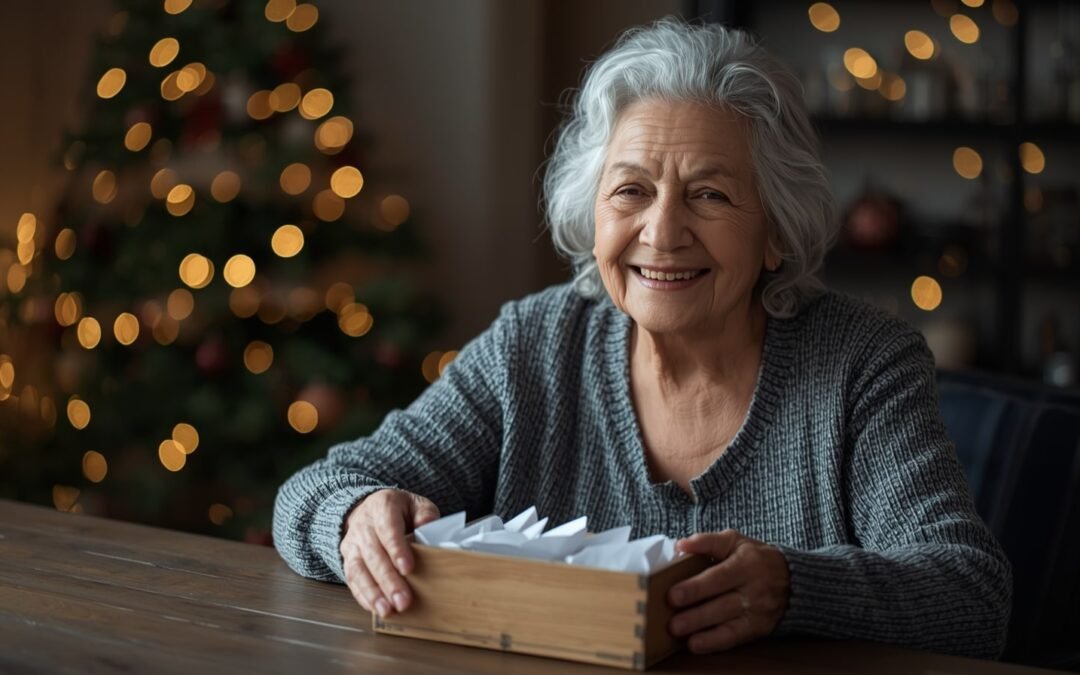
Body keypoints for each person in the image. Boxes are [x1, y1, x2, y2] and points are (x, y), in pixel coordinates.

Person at [273, 18, 1011, 659]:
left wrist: (795, 587)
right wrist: (356, 519)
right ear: (592, 214)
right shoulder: (535, 344)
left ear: (777, 231)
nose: (661, 232)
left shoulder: (862, 362)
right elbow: (310, 492)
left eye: (709, 194)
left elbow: (971, 595)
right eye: (630, 190)